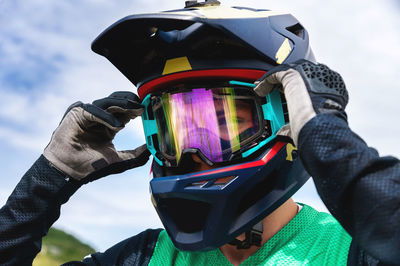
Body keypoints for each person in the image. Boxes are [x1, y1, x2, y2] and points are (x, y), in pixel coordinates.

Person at [0, 1, 399, 265]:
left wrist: (327, 137)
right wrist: (49, 179)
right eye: (175, 129)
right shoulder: (146, 256)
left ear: (287, 118)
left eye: (221, 125)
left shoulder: (352, 251)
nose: (192, 152)